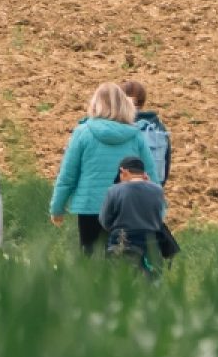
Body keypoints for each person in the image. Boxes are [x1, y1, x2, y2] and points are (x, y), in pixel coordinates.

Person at [49, 82, 160, 255]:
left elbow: (68, 175)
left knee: (91, 262)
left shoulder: (82, 133)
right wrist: (158, 210)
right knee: (124, 260)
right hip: (126, 208)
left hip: (90, 208)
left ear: (95, 104)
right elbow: (150, 175)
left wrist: (57, 208)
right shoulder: (135, 136)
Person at [102, 157, 176, 277]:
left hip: (121, 240)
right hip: (150, 242)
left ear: (123, 171)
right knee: (152, 279)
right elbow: (158, 217)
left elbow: (105, 221)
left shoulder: (114, 190)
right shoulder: (157, 190)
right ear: (143, 174)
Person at [122, 80, 172, 185]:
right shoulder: (158, 128)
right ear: (143, 101)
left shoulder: (119, 127)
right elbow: (164, 170)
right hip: (152, 191)